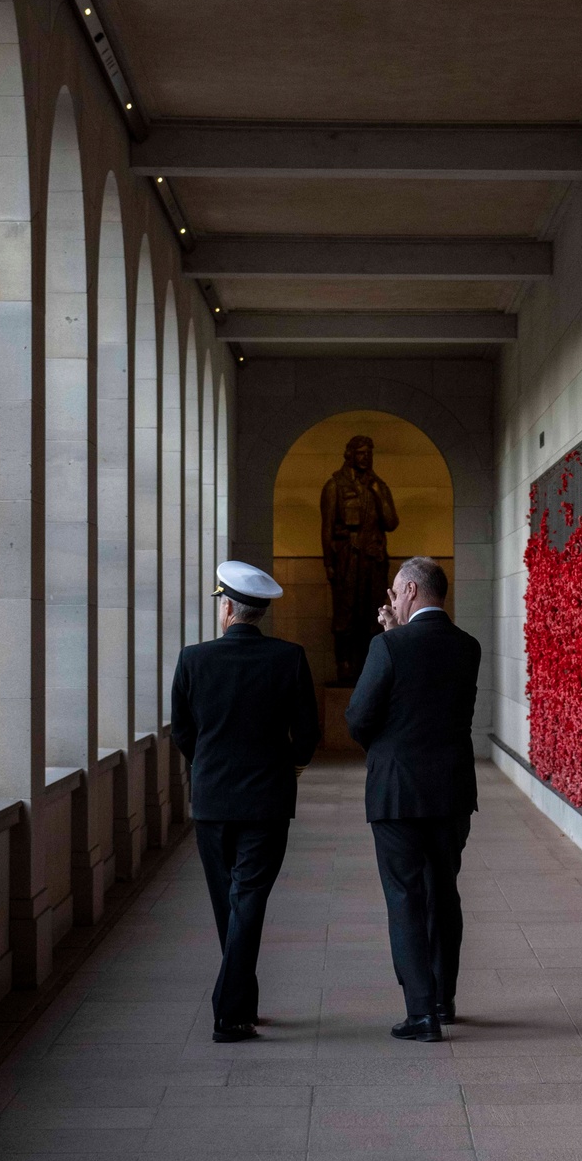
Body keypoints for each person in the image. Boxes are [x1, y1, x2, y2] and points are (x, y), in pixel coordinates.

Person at [171, 560, 320, 1043]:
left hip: (213, 802)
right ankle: (235, 1009)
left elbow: (184, 733)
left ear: (228, 608)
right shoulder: (289, 657)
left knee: (228, 904)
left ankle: (235, 1004)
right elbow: (308, 734)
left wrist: (209, 767)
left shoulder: (193, 660)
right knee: (248, 901)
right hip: (268, 801)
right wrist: (288, 768)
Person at [345, 556, 481, 1043]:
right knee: (443, 892)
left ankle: (421, 1012)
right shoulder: (469, 647)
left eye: (395, 592)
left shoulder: (388, 646)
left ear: (406, 591)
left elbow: (359, 717)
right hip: (451, 791)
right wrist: (391, 635)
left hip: (397, 793)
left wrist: (386, 638)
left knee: (404, 896)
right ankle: (443, 998)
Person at [320, 434, 399, 683]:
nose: (366, 458)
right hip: (347, 559)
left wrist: (377, 493)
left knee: (373, 615)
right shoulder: (335, 486)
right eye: (361, 453)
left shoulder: (379, 486)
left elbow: (391, 522)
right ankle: (343, 666)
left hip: (374, 560)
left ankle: (370, 667)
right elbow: (327, 527)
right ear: (350, 455)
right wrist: (329, 564)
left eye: (369, 453)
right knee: (345, 614)